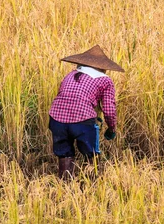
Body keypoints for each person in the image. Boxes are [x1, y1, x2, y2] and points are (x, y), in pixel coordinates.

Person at [49, 45, 124, 178]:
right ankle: (93, 185)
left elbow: (66, 97)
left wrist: (93, 115)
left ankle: (64, 186)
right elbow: (109, 109)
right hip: (82, 120)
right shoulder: (105, 80)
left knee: (64, 154)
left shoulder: (70, 75)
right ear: (102, 67)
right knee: (92, 154)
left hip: (56, 118)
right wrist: (112, 128)